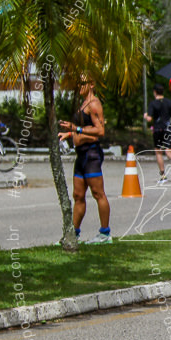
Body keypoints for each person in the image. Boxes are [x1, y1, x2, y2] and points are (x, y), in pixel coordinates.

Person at [57, 74, 111, 243]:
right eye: (77, 83)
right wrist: (69, 133)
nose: (78, 86)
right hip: (81, 155)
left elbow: (100, 131)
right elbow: (83, 127)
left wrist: (77, 129)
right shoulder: (83, 103)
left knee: (98, 193)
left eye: (82, 83)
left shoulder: (94, 104)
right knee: (78, 195)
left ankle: (105, 234)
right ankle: (74, 234)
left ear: (92, 84)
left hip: (91, 154)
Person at [143, 84, 171, 184]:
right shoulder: (169, 102)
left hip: (158, 129)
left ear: (155, 92)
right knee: (169, 151)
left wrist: (145, 116)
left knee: (158, 152)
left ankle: (163, 175)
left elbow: (150, 118)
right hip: (169, 128)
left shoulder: (153, 104)